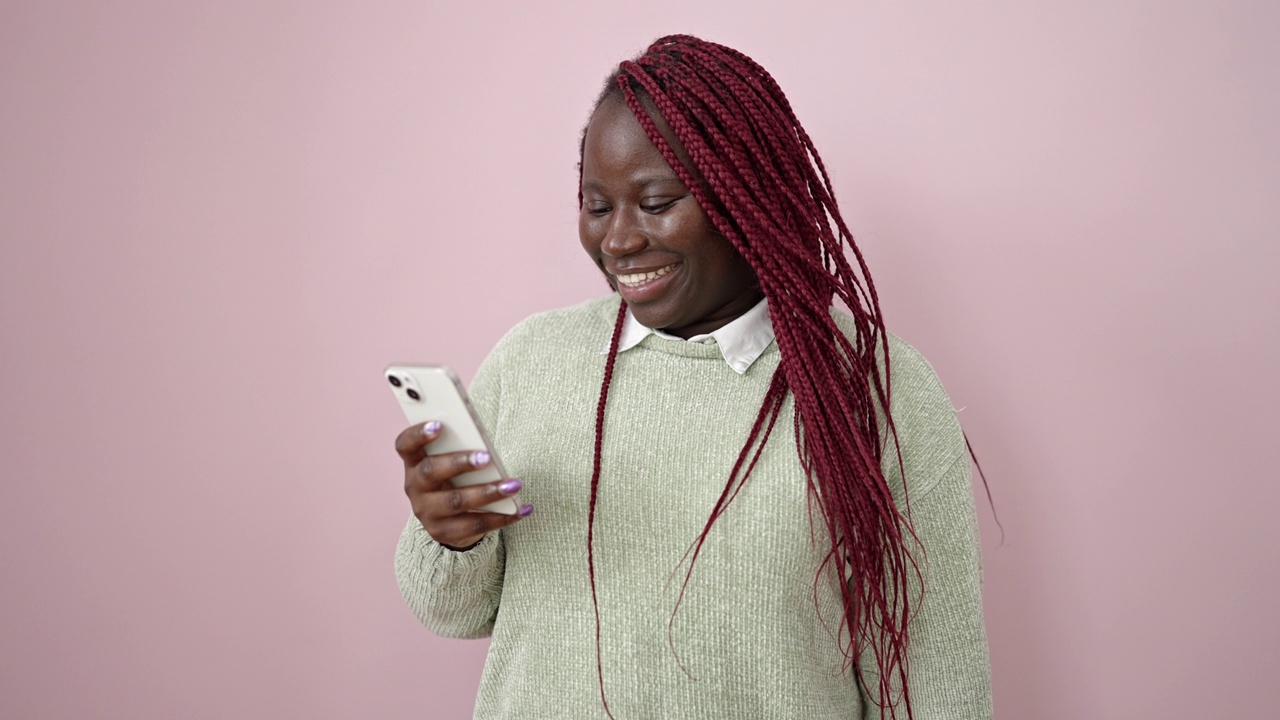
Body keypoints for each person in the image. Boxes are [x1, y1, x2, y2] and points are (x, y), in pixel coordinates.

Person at [394, 35, 991, 720]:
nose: (617, 241)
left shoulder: (875, 389)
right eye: (596, 206)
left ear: (749, 196)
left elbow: (938, 684)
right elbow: (453, 614)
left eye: (655, 203)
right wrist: (453, 536)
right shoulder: (532, 361)